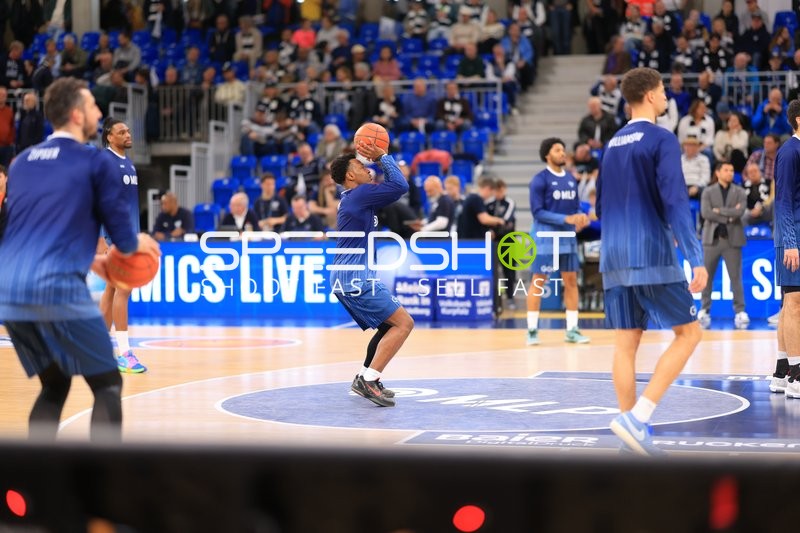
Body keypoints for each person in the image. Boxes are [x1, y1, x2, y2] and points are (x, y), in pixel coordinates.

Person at [0, 78, 160, 441]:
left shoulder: (22, 162)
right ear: (76, 114)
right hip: (53, 286)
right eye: (93, 106)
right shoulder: (94, 162)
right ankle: (101, 486)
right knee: (106, 385)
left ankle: (35, 481)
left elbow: (30, 228)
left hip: (9, 290)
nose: (100, 112)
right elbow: (124, 239)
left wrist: (93, 260)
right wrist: (142, 245)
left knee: (54, 386)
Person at [597, 67, 707, 455]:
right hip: (650, 252)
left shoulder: (610, 144)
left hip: (612, 254)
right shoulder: (661, 138)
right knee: (689, 333)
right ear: (649, 95)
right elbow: (676, 200)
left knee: (626, 343)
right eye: (663, 90)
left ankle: (631, 433)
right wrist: (695, 256)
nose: (667, 96)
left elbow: (599, 203)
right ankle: (638, 417)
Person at [329, 141, 415, 408]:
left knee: (389, 325)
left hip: (349, 276)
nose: (367, 169)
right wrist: (382, 156)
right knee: (404, 324)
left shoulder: (355, 197)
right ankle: (369, 379)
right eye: (360, 165)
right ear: (350, 176)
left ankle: (366, 377)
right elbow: (401, 186)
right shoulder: (359, 194)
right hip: (353, 277)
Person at [96, 118, 148, 374]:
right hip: (114, 238)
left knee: (110, 291)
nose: (128, 134)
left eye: (128, 130)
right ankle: (125, 353)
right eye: (122, 131)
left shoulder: (127, 163)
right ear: (109, 137)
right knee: (123, 291)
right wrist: (101, 239)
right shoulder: (105, 162)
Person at [526, 138, 591, 346]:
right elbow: (537, 212)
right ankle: (532, 330)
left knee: (571, 281)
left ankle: (572, 329)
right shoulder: (539, 180)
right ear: (548, 155)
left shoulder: (571, 179)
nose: (563, 153)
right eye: (557, 150)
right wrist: (566, 219)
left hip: (566, 238)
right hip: (545, 237)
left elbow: (574, 207)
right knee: (539, 280)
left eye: (563, 150)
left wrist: (579, 217)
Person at [770, 99, 800, 399]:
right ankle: (797, 374)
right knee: (795, 305)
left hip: (796, 237)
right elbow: (784, 201)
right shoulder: (791, 151)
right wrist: (791, 243)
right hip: (794, 238)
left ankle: (782, 370)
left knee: (789, 305)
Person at [697, 162, 749, 329]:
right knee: (707, 277)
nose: (730, 173)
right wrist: (728, 216)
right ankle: (704, 309)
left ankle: (740, 311)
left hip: (732, 240)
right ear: (717, 173)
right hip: (712, 240)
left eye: (732, 170)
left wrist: (719, 211)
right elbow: (706, 213)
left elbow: (740, 212)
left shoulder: (740, 191)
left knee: (736, 277)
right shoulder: (708, 191)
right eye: (726, 170)